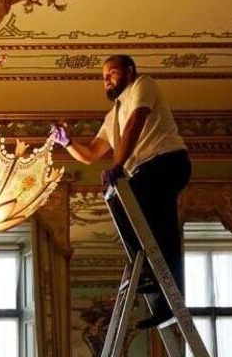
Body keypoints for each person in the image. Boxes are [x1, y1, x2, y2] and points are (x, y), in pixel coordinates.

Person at [51, 55, 191, 328]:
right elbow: (92, 153)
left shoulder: (143, 85)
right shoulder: (113, 115)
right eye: (103, 77)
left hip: (167, 162)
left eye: (112, 73)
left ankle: (152, 276)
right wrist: (67, 142)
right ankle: (163, 299)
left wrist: (118, 166)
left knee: (134, 201)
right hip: (145, 171)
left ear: (129, 71)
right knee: (156, 229)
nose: (107, 80)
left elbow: (136, 123)